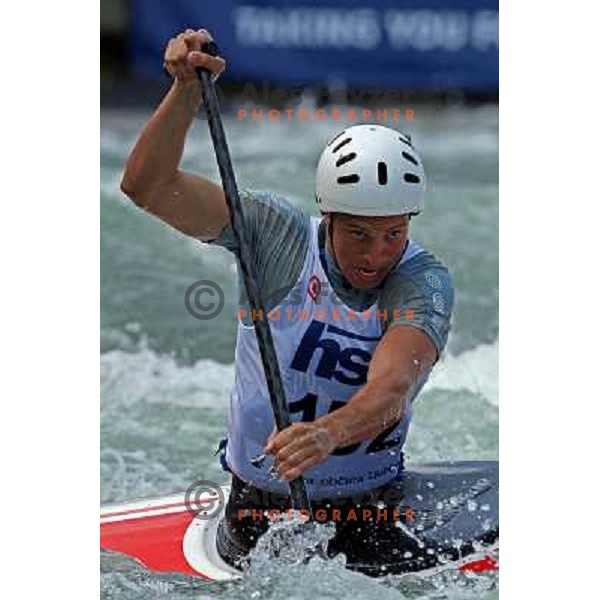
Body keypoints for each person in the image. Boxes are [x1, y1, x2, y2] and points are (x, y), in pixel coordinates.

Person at [120, 29, 454, 576]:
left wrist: (329, 434)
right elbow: (148, 186)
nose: (377, 255)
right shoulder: (276, 239)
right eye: (359, 234)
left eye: (394, 233)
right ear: (329, 218)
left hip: (372, 513)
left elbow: (393, 387)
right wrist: (184, 89)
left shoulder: (422, 282)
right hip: (257, 515)